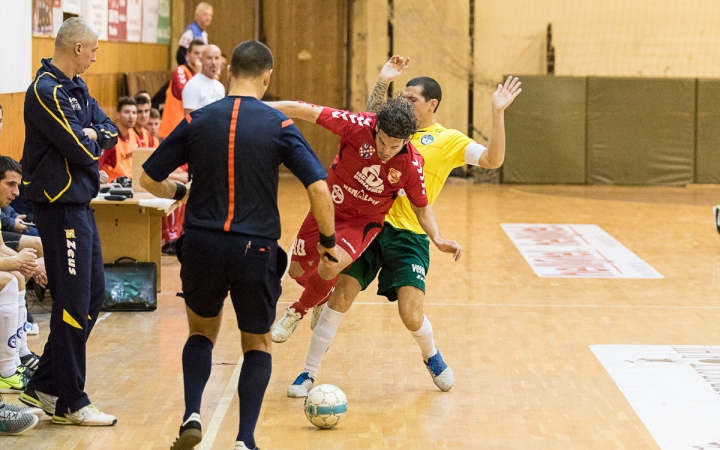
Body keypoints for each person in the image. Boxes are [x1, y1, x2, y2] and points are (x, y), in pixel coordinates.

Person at [286, 56, 522, 397]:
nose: (404, 103)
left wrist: (498, 113)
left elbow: (492, 161)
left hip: (409, 236)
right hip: (368, 226)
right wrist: (383, 80)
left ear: (432, 104)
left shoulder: (448, 140)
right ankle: (307, 373)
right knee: (340, 298)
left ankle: (431, 354)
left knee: (411, 315)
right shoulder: (388, 131)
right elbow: (368, 119)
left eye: (411, 98)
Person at [140, 40, 334, 450]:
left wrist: (180, 192)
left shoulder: (198, 120)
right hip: (255, 249)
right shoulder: (279, 125)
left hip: (202, 244)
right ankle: (244, 440)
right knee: (257, 343)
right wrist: (330, 242)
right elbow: (319, 187)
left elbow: (147, 178)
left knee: (201, 333)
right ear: (268, 76)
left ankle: (192, 413)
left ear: (229, 73)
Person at [265, 95, 461, 344]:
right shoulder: (356, 124)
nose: (386, 151)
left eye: (395, 146)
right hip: (327, 208)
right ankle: (322, 296)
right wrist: (253, 107)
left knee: (330, 264)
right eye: (382, 142)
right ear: (376, 127)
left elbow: (422, 208)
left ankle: (296, 311)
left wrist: (438, 238)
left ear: (407, 139)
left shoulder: (412, 164)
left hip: (361, 223)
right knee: (297, 271)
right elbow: (303, 109)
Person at [19, 17, 118, 426]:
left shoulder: (78, 90)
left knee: (93, 294)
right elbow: (81, 147)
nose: (95, 57)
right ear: (77, 48)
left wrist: (96, 134)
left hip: (81, 205)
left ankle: (44, 382)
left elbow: (108, 132)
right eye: (93, 50)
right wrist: (92, 137)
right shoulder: (45, 90)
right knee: (73, 300)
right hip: (59, 210)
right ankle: (70, 400)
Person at [159, 39, 205, 140]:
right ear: (188, 54)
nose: (199, 57)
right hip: (172, 130)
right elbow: (186, 93)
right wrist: (200, 74)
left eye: (202, 54)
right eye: (196, 53)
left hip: (188, 130)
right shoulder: (180, 70)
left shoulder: (202, 76)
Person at [99, 96, 137, 182]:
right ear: (117, 115)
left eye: (134, 113)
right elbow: (97, 167)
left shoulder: (134, 135)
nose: (131, 116)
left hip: (132, 183)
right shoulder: (109, 138)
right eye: (127, 112)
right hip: (113, 186)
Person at [182, 44, 225, 113]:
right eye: (209, 58)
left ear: (221, 61)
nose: (213, 63)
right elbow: (189, 119)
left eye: (216, 58)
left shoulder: (220, 87)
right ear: (201, 60)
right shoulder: (193, 86)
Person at [176, 2, 213, 67]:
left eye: (210, 15)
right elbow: (180, 54)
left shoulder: (204, 34)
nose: (208, 18)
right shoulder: (190, 32)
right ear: (197, 15)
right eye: (205, 14)